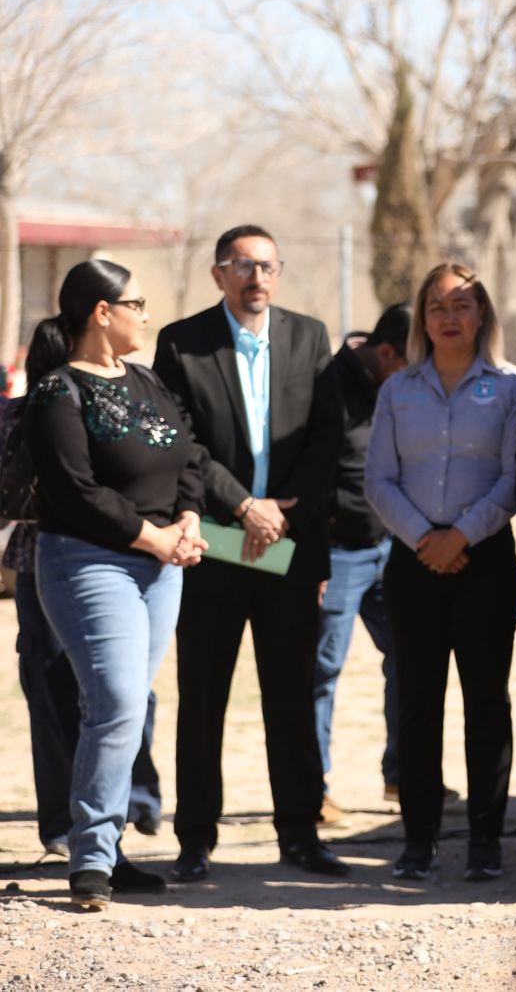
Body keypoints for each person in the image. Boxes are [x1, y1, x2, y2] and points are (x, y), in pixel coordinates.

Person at [153, 224, 349, 882]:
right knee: (203, 694)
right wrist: (245, 506)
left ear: (279, 273)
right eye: (242, 266)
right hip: (217, 541)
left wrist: (281, 511)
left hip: (288, 543)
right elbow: (184, 444)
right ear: (218, 275)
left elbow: (327, 436)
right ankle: (195, 838)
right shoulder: (181, 343)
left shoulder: (309, 336)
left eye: (267, 265)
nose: (256, 277)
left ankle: (299, 833)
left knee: (292, 693)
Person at [22, 260, 209, 910]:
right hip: (87, 562)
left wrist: (186, 518)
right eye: (137, 303)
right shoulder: (57, 392)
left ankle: (109, 849)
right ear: (102, 312)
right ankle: (92, 859)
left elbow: (188, 453)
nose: (145, 315)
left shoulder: (146, 379)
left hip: (161, 567)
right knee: (119, 702)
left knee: (126, 710)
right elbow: (74, 489)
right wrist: (152, 536)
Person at [366, 262, 516, 881]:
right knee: (416, 704)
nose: (450, 317)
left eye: (462, 305)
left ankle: (486, 841)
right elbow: (378, 478)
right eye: (437, 306)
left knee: (486, 702)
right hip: (412, 566)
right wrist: (424, 538)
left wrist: (461, 535)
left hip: (484, 562)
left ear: (482, 313)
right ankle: (419, 839)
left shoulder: (512, 388)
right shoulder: (397, 391)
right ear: (422, 319)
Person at [6, 380, 164, 856]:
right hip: (43, 560)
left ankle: (135, 800)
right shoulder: (22, 415)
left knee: (128, 689)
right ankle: (63, 820)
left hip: (126, 557)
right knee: (53, 691)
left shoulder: (125, 408)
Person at [314, 302, 414, 823]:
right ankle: (314, 790)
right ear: (384, 352)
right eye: (408, 361)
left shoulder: (402, 386)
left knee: (407, 657)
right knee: (321, 670)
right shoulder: (326, 386)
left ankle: (402, 776)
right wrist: (313, 559)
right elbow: (309, 474)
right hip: (335, 552)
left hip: (392, 547)